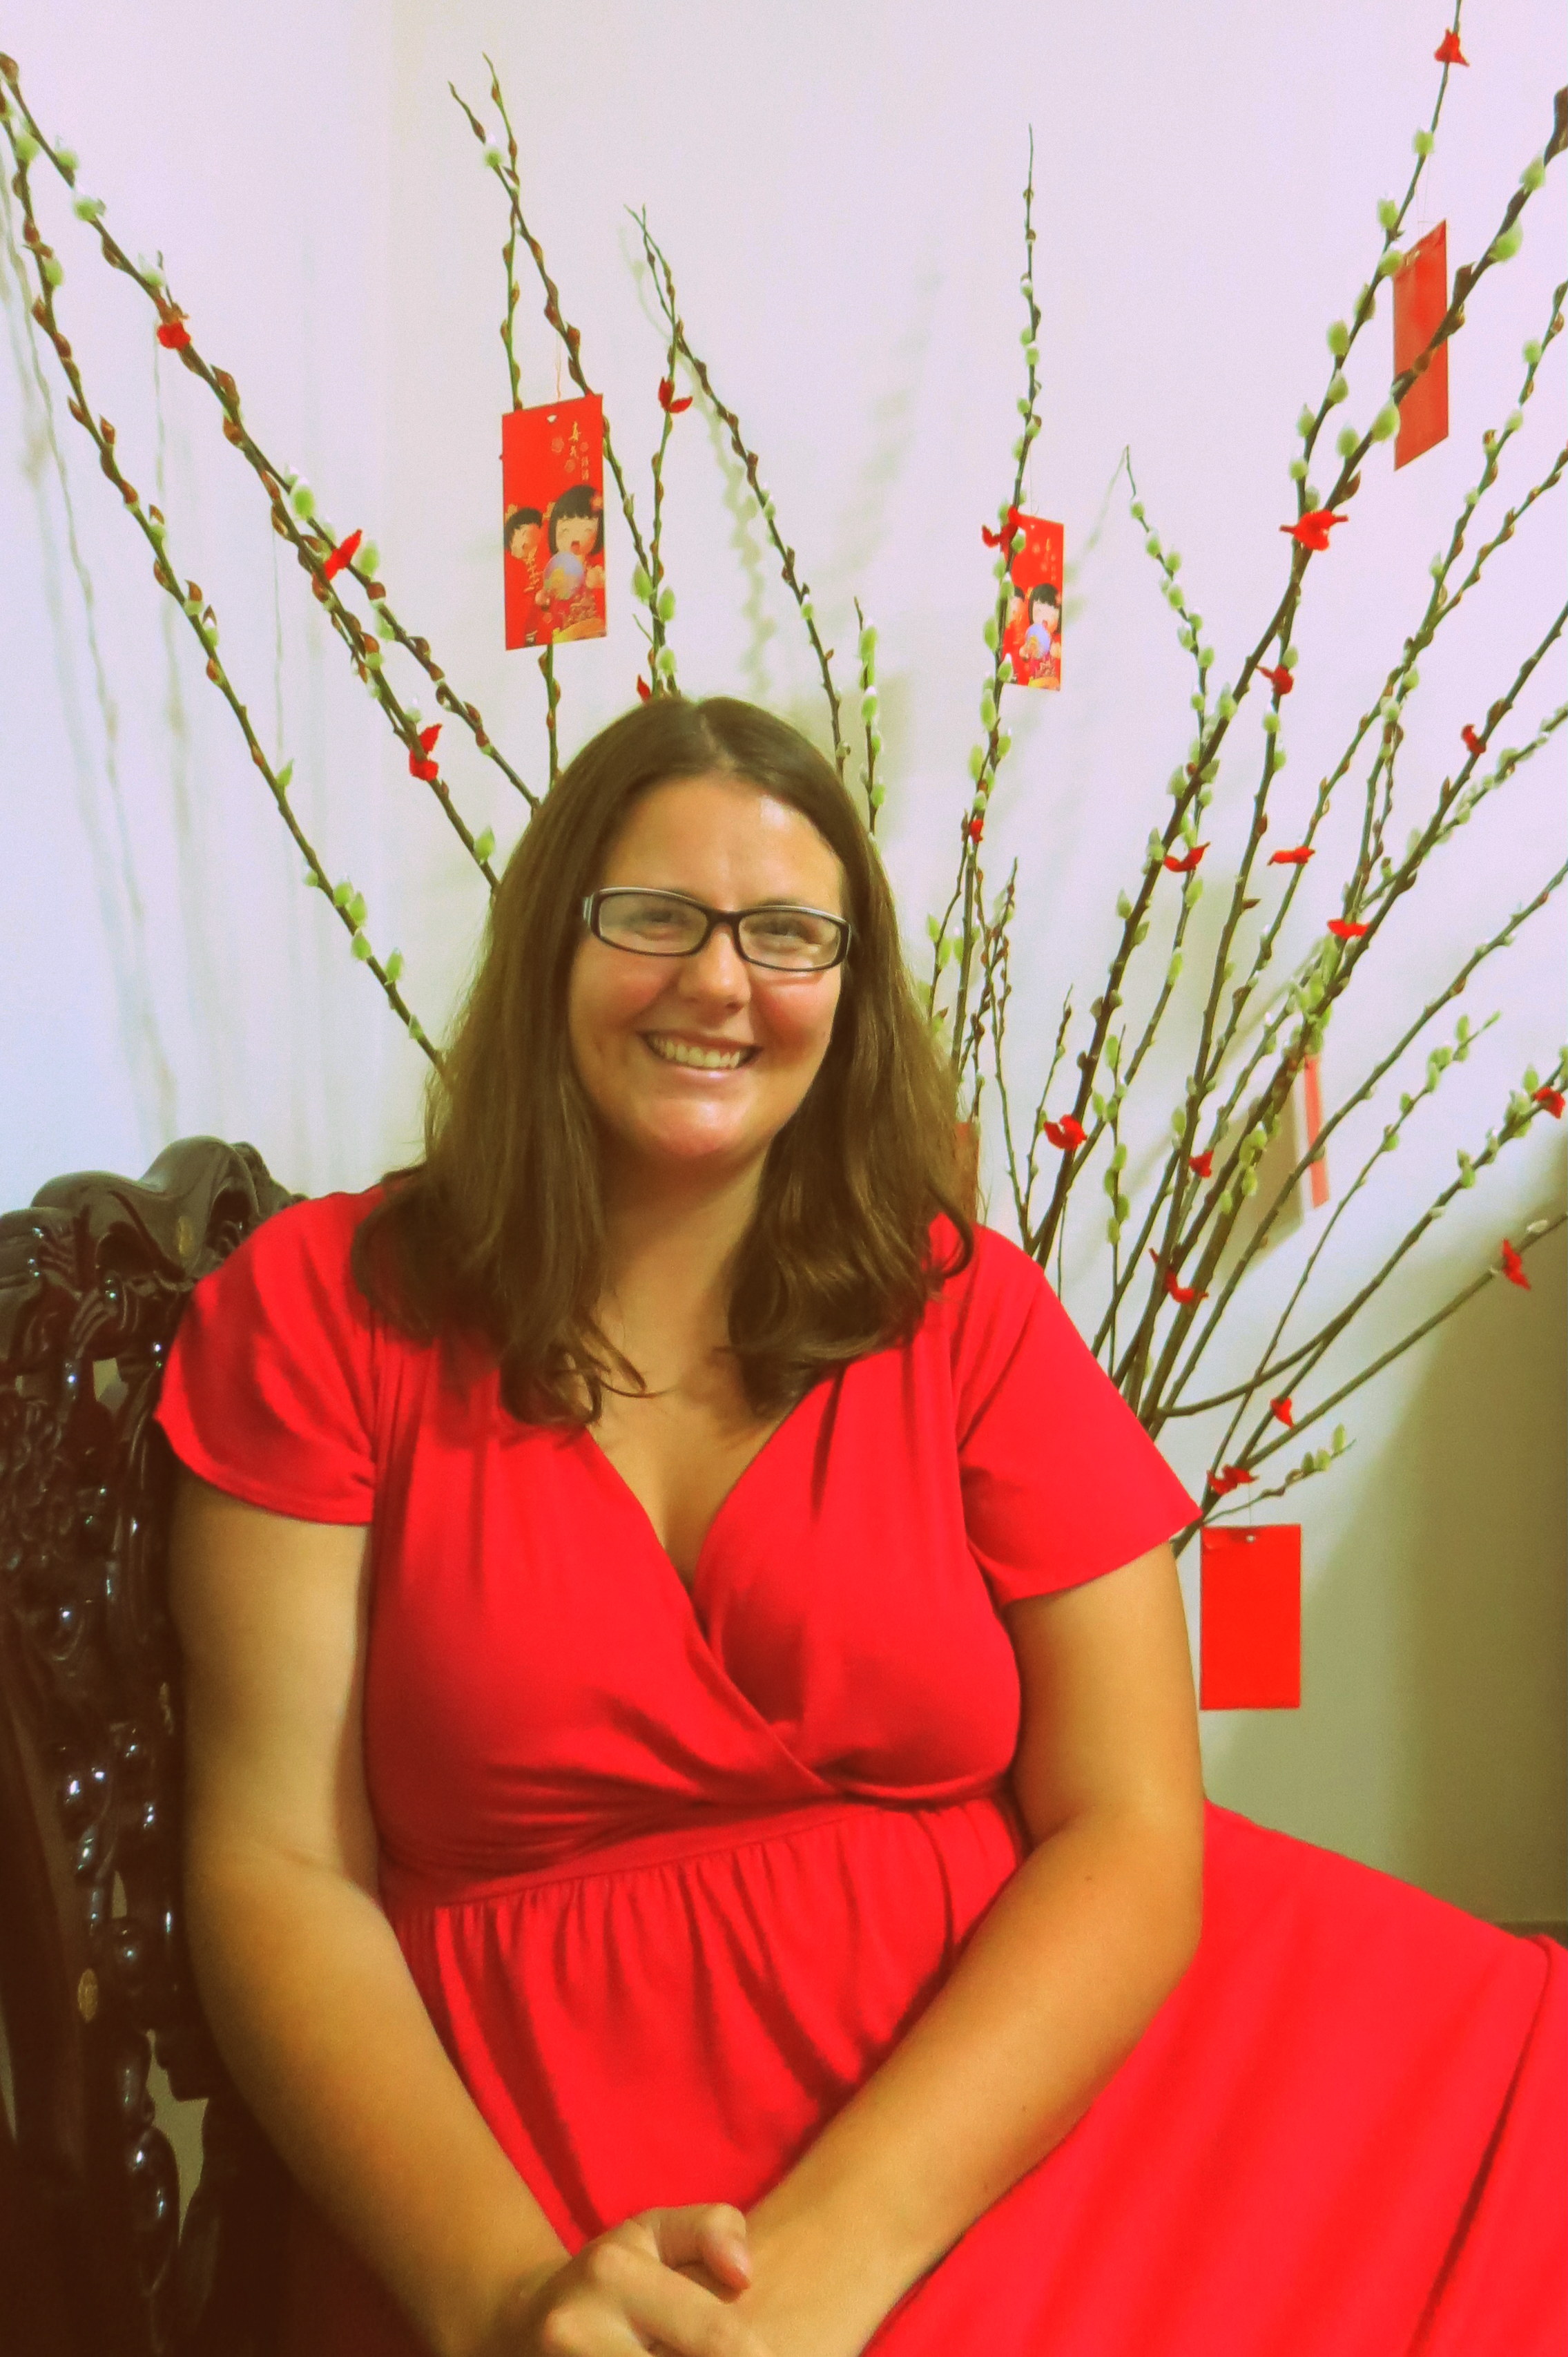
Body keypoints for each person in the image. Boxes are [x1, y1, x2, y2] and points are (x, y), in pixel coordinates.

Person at [157, 695, 1565, 2357]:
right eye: (654, 917)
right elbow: (278, 1868)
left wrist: (837, 2259)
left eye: (785, 933)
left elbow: (1128, 1827)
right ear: (552, 945)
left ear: (846, 990)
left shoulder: (962, 1312)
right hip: (522, 2189)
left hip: (1015, 2122)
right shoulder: (324, 1312)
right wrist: (501, 2296)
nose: (719, 978)